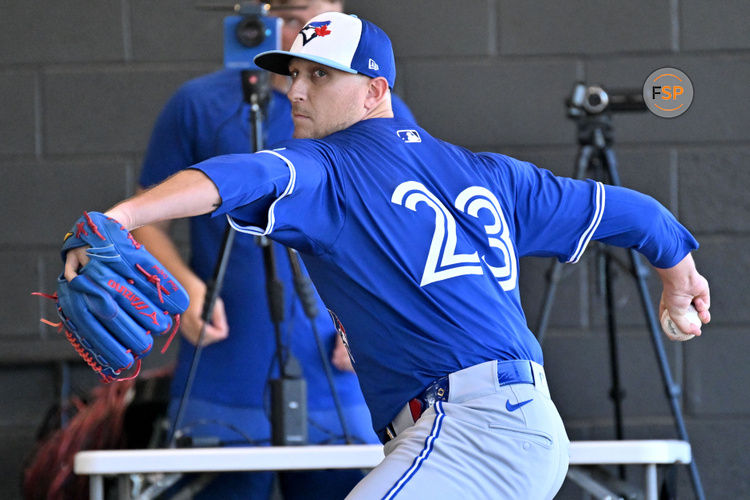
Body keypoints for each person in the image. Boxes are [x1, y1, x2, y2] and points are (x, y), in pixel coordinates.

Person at [66, 12, 711, 499]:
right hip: (517, 425)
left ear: (376, 91)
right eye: (293, 73)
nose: (296, 90)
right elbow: (640, 214)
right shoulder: (485, 171)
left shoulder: (329, 164)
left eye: (321, 76)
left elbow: (235, 178)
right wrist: (679, 275)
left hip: (467, 429)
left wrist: (120, 216)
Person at [132, 2, 414, 499]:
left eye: (305, 14)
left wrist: (385, 322)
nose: (295, 29)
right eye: (280, 14)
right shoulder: (200, 102)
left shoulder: (368, 102)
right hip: (228, 359)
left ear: (337, 9)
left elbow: (413, 228)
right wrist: (181, 285)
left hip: (343, 363)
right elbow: (147, 215)